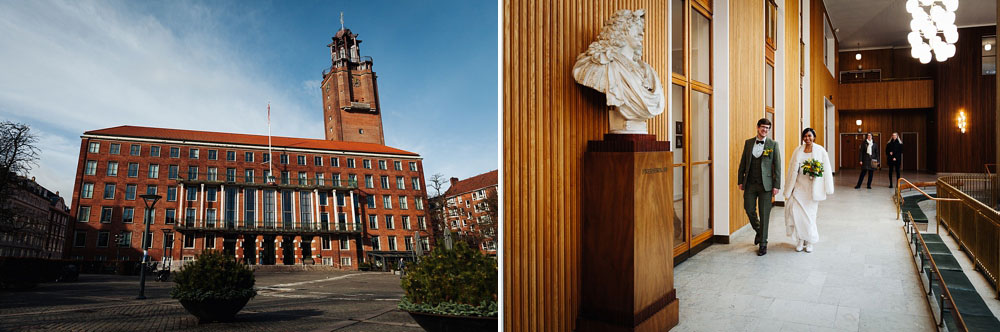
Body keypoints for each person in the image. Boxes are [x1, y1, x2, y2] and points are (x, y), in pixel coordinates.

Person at [783, 128, 834, 253]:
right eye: (805, 136)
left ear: (814, 137)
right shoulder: (798, 150)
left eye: (810, 136)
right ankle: (800, 240)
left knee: (810, 216)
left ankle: (810, 241)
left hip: (812, 189)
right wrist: (788, 187)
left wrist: (826, 185)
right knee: (797, 214)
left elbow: (826, 169)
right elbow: (792, 169)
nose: (807, 138)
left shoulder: (821, 151)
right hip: (799, 187)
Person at [737, 118, 782, 256]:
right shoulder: (748, 143)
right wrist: (740, 180)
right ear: (757, 127)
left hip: (766, 186)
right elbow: (743, 162)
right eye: (763, 127)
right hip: (750, 183)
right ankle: (759, 231)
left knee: (764, 214)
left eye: (767, 128)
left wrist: (777, 185)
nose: (765, 130)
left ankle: (763, 243)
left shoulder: (773, 144)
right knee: (749, 209)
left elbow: (778, 166)